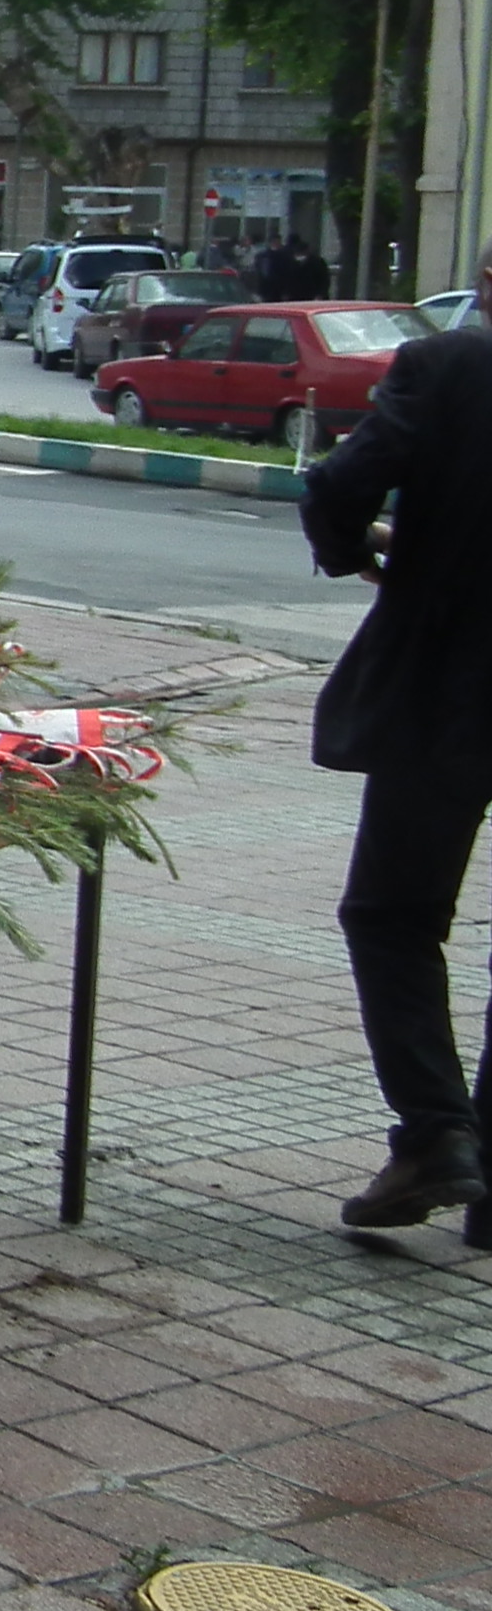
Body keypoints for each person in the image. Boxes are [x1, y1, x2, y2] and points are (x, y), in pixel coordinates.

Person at [303, 241, 492, 1232]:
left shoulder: (452, 364)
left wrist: (363, 557)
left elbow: (339, 484)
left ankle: (433, 1133)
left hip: (449, 693)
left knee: (393, 916)